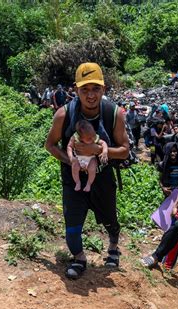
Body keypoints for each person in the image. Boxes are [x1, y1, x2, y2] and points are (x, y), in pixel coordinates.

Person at [45, 62, 129, 280]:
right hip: (73, 179)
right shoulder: (64, 115)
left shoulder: (114, 114)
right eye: (85, 90)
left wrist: (97, 151)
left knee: (110, 218)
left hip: (102, 177)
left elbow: (125, 151)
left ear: (104, 89)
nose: (90, 95)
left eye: (95, 89)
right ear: (75, 89)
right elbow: (51, 145)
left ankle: (113, 246)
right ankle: (79, 258)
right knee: (72, 223)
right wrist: (71, 161)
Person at [67, 120, 108, 192]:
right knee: (74, 166)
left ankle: (89, 183)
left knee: (92, 168)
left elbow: (103, 143)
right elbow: (69, 147)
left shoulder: (94, 137)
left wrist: (105, 152)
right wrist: (71, 157)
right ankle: (77, 182)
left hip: (91, 158)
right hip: (78, 158)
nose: (92, 139)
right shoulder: (75, 137)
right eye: (89, 138)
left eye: (93, 135)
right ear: (80, 137)